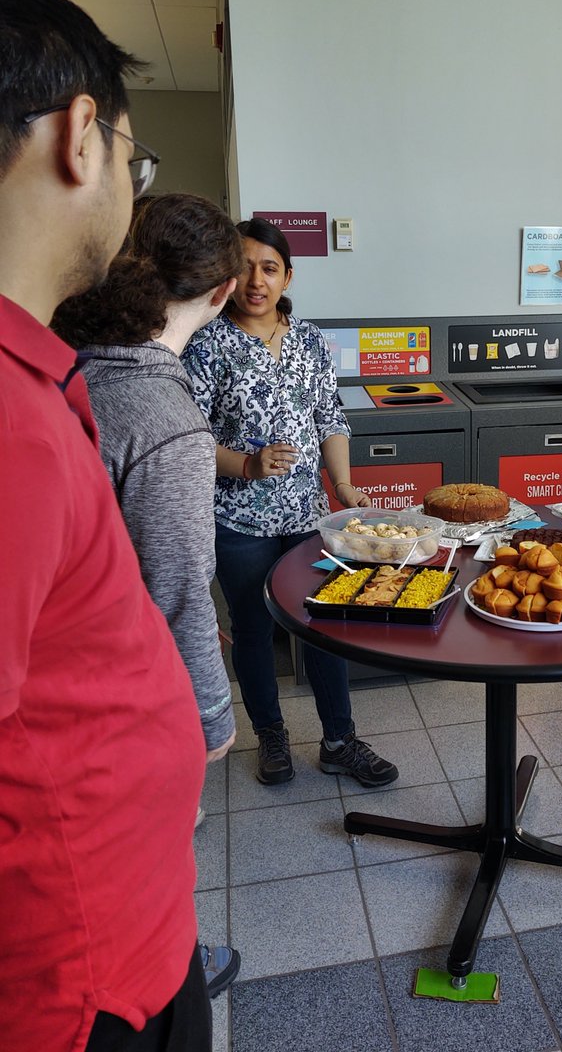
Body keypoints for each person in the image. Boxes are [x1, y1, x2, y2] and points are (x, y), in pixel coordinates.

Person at [0, 0, 212, 1049]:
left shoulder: (39, 373)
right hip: (75, 987)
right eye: (138, 156)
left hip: (114, 944)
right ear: (81, 137)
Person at [51, 195, 244, 997]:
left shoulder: (63, 363)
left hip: (55, 664)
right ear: (224, 291)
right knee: (149, 843)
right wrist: (211, 718)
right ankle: (166, 968)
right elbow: (178, 591)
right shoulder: (161, 417)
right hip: (121, 682)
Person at [182, 217, 399, 789]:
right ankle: (271, 737)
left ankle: (339, 740)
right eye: (244, 266)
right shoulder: (206, 344)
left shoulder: (309, 339)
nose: (257, 280)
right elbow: (192, 438)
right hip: (238, 521)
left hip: (307, 516)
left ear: (287, 276)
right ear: (227, 276)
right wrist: (247, 465)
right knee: (254, 630)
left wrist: (344, 486)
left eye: (269, 268)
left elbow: (330, 416)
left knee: (324, 624)